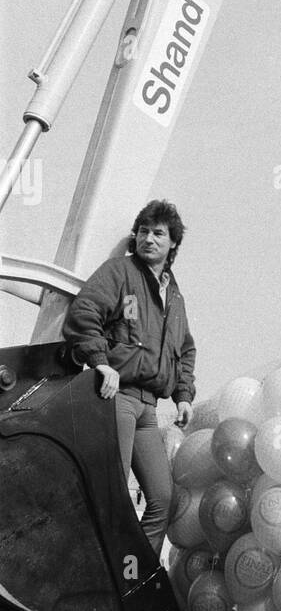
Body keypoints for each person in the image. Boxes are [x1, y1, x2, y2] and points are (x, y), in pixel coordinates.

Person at [62, 200, 196, 557]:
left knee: (161, 499)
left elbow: (184, 349)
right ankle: (98, 576)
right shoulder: (120, 272)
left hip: (149, 410)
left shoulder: (175, 297)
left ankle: (134, 577)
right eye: (143, 231)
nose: (148, 239)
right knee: (114, 496)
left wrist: (183, 396)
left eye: (158, 233)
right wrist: (99, 361)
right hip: (115, 399)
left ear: (173, 245)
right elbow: (84, 311)